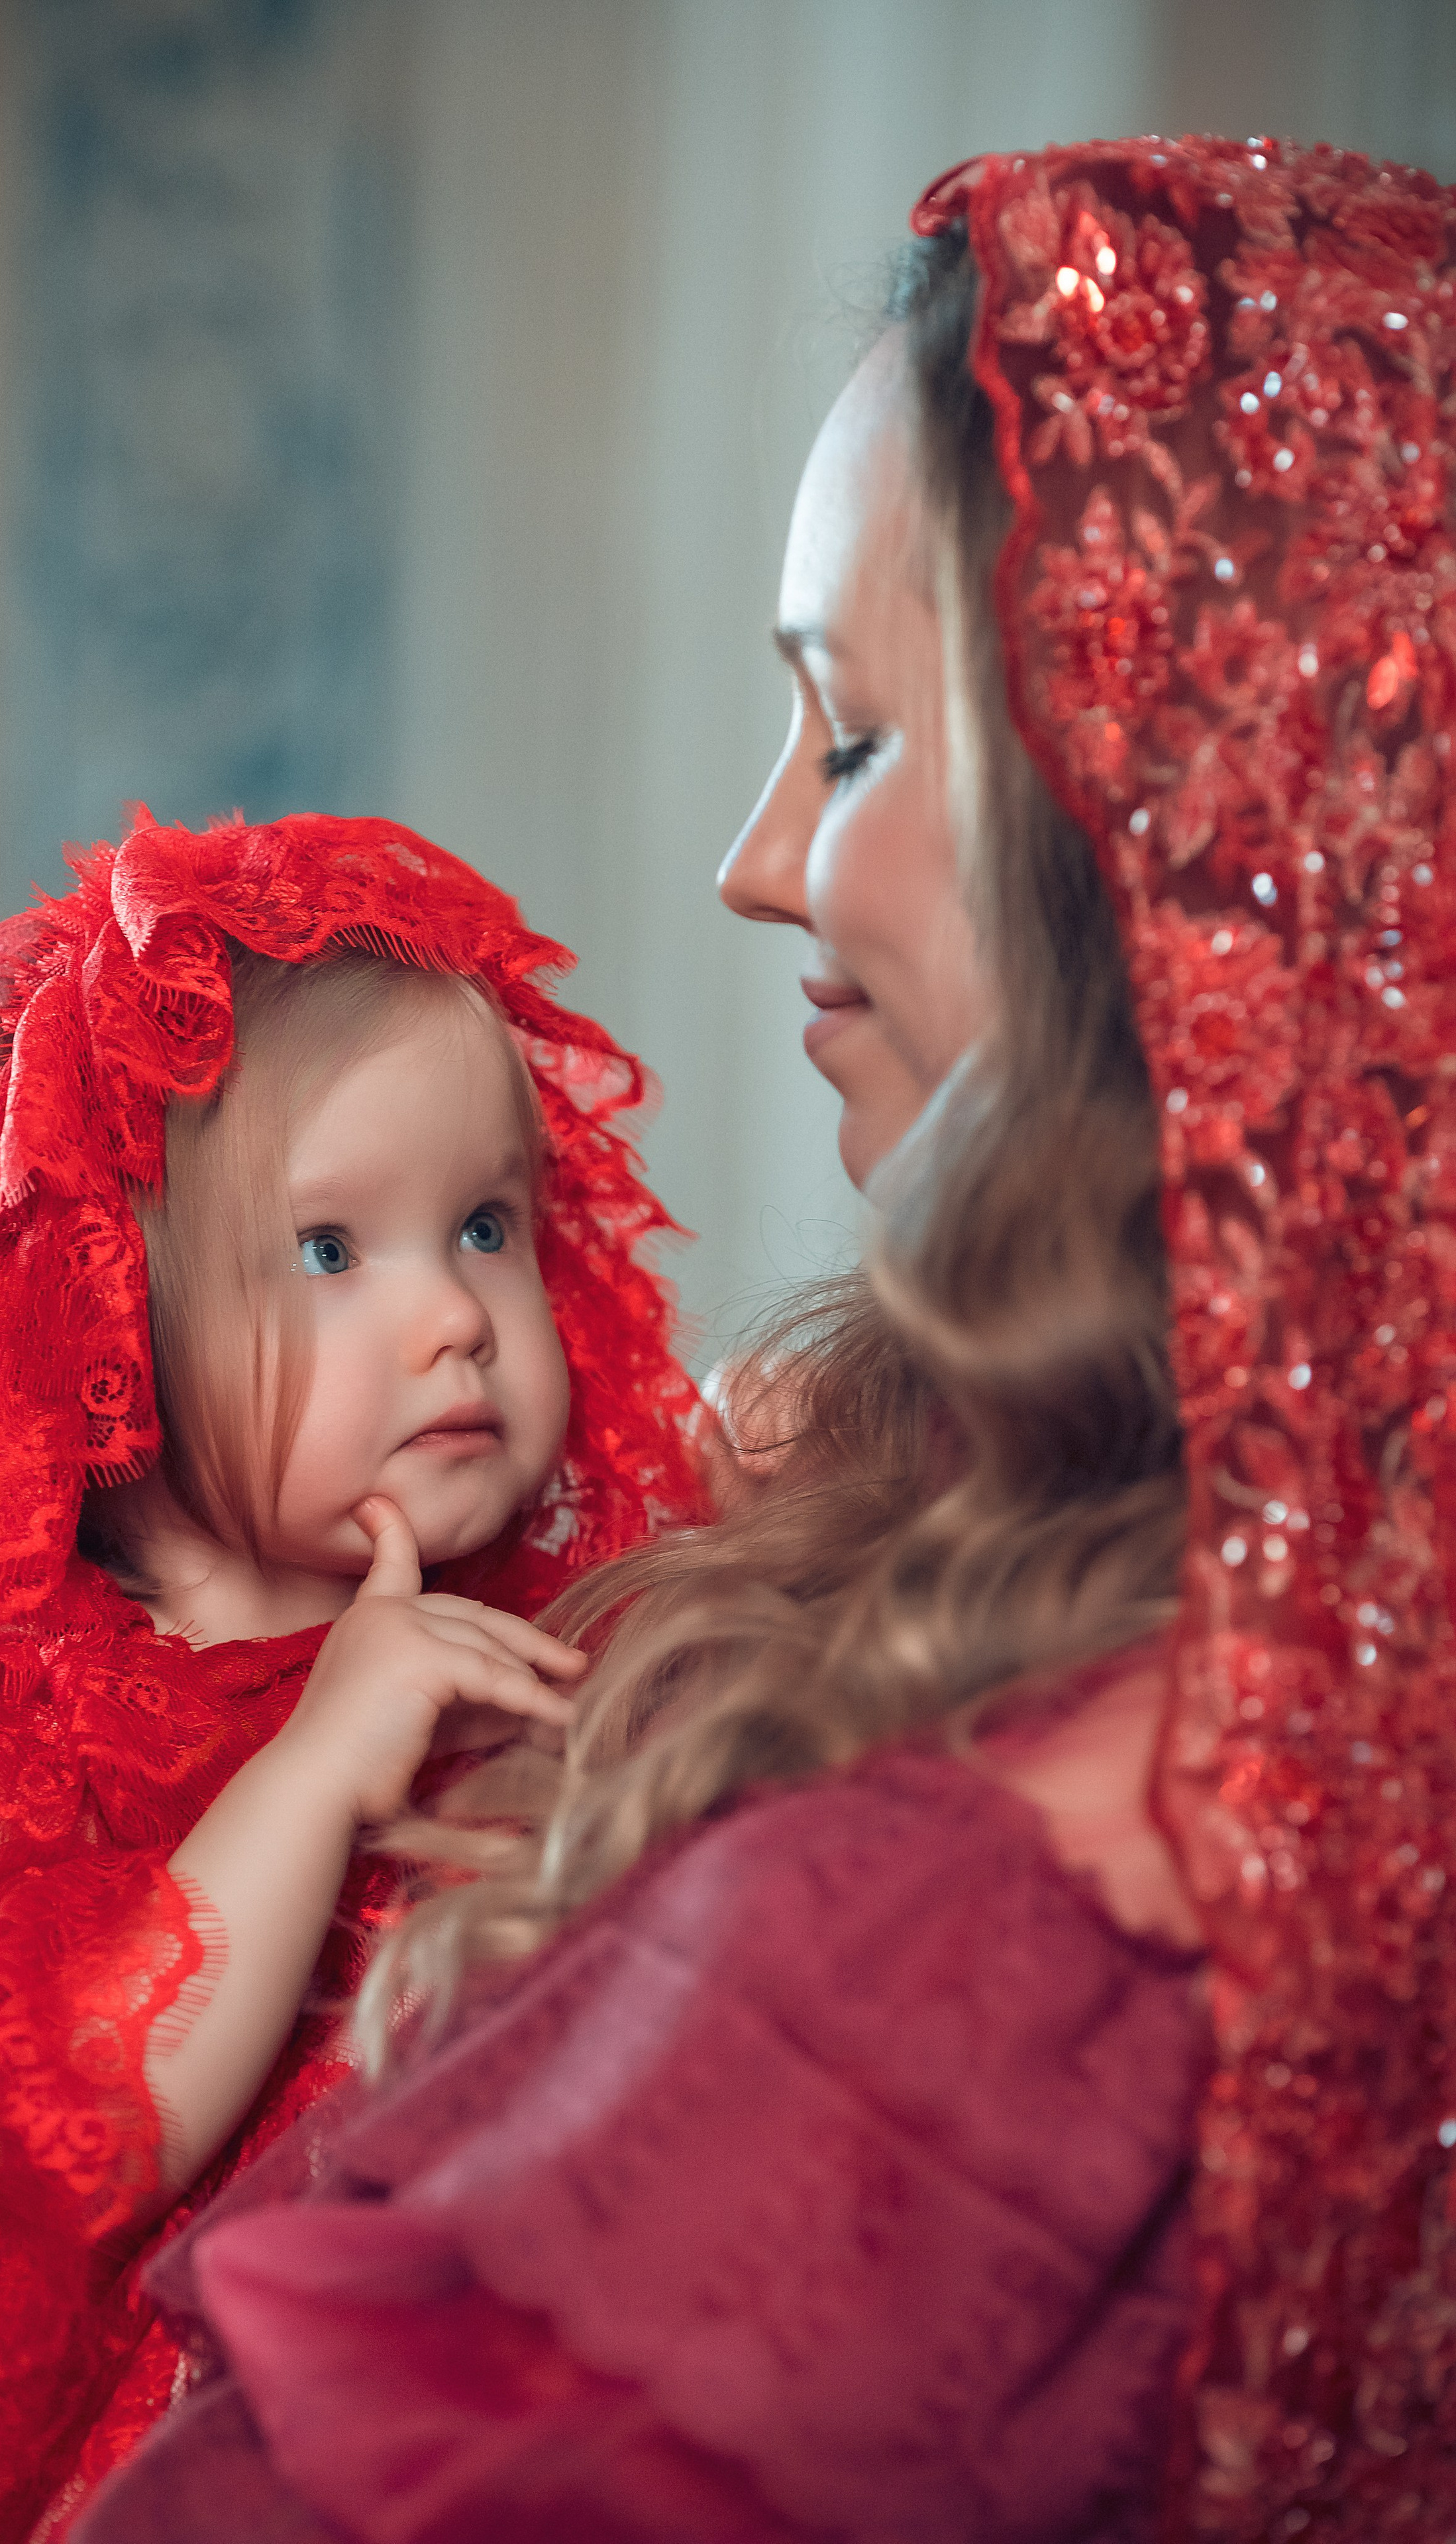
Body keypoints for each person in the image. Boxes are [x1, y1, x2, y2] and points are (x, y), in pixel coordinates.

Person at [78, 132, 1456, 2543]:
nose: (751, 864)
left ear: (1176, 833)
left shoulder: (972, 1936)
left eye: (853, 735)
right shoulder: (965, 1502)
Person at [0, 810, 709, 2543]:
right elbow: (57, 2139)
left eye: (486, 1225)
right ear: (106, 1338)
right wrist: (313, 1772)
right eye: (334, 1252)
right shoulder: (12, 1756)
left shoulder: (546, 1622)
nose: (457, 1318)